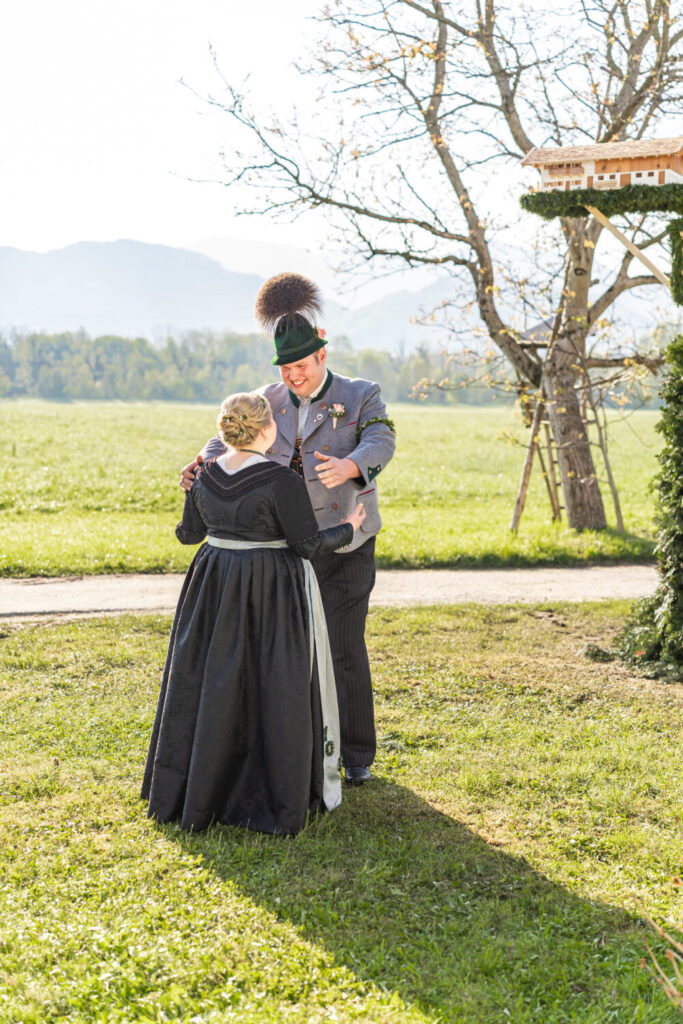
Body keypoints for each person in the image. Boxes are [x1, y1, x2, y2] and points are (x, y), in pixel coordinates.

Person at [181, 274, 396, 785]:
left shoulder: (361, 394)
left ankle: (355, 756)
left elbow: (383, 439)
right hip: (281, 547)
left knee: (342, 646)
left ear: (322, 355)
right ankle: (296, 747)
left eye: (301, 367)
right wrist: (201, 462)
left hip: (346, 541)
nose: (293, 377)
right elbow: (224, 440)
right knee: (284, 651)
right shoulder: (265, 398)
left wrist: (351, 465)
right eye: (285, 368)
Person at [142, 391, 366, 835]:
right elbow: (306, 546)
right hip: (270, 591)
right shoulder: (282, 480)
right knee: (271, 679)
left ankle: (200, 787)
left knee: (211, 678)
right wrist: (348, 529)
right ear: (267, 430)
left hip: (213, 588)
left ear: (226, 429)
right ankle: (267, 791)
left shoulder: (204, 474)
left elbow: (188, 535)